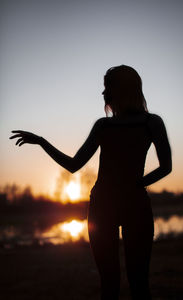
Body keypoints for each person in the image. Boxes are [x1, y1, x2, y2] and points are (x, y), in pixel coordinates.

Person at [10, 65, 172, 300]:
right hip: (109, 207)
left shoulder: (146, 123)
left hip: (126, 207)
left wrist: (138, 184)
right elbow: (75, 165)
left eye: (108, 87)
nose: (103, 93)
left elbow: (166, 167)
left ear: (123, 89)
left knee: (134, 284)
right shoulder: (110, 125)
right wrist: (41, 142)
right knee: (117, 284)